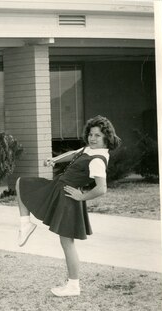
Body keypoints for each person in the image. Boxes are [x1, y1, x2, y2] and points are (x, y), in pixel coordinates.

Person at [16, 115, 121, 297]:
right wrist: (55, 160)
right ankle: (25, 223)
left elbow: (102, 188)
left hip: (68, 199)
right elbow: (75, 153)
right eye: (90, 134)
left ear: (106, 138)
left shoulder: (97, 159)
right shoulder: (89, 150)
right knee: (21, 183)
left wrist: (82, 196)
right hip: (58, 188)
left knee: (67, 243)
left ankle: (73, 285)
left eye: (97, 135)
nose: (92, 138)